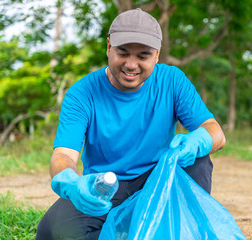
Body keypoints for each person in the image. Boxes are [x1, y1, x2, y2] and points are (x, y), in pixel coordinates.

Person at [36, 8, 225, 240]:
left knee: (198, 159)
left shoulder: (172, 80)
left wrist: (196, 141)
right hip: (105, 189)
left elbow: (216, 133)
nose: (131, 64)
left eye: (143, 56)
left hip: (158, 182)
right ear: (108, 47)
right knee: (51, 231)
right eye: (123, 53)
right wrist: (72, 182)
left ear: (157, 54)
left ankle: (177, 231)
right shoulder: (82, 93)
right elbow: (63, 155)